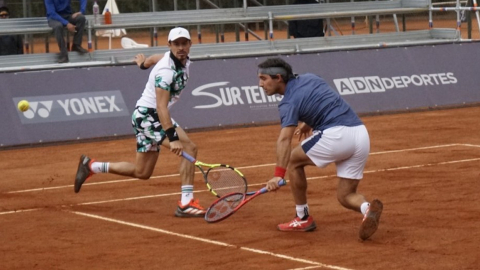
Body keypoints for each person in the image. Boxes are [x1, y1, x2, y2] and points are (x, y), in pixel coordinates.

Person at [74, 27, 206, 218]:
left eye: (184, 43)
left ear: (190, 45)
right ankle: (186, 203)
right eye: (176, 44)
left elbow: (153, 58)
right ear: (170, 45)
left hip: (145, 115)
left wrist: (143, 64)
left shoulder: (176, 60)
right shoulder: (166, 72)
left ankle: (91, 166)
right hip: (149, 115)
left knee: (142, 172)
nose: (181, 48)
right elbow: (161, 108)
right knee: (189, 148)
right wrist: (173, 138)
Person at [258, 57, 383, 240]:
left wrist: (279, 174)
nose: (260, 84)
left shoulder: (288, 103)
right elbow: (322, 99)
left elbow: (284, 139)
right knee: (345, 195)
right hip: (360, 134)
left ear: (278, 78)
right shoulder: (311, 78)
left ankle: (302, 217)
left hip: (337, 136)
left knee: (293, 161)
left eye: (263, 79)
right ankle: (366, 209)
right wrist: (309, 122)